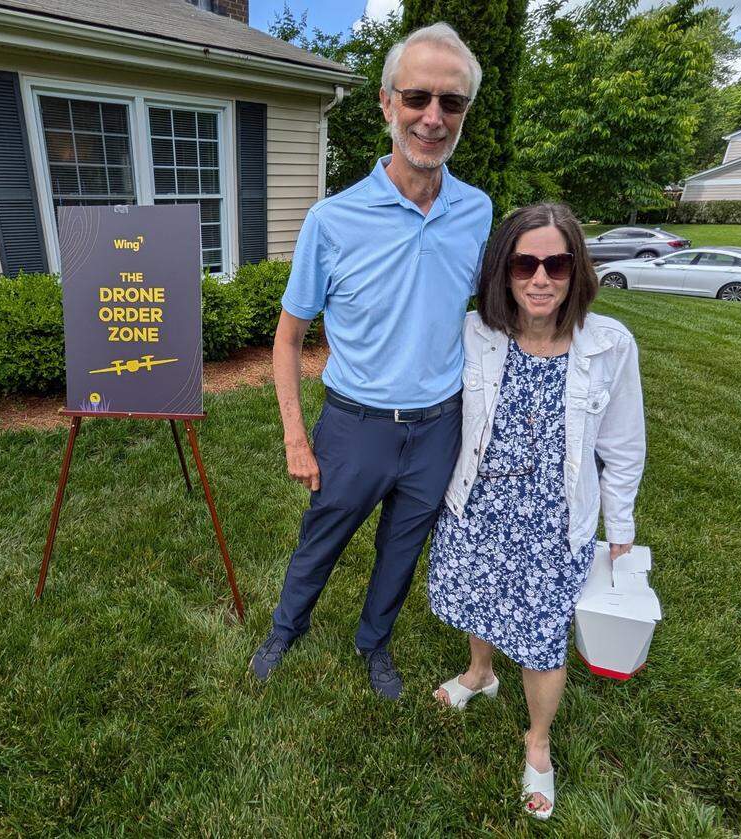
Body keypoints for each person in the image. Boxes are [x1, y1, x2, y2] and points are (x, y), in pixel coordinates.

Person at [248, 22, 492, 700]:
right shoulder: (332, 220)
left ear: (464, 114)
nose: (433, 117)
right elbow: (288, 337)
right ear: (387, 104)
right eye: (417, 97)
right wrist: (297, 435)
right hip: (355, 426)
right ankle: (285, 627)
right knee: (320, 539)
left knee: (400, 552)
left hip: (438, 425)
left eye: (452, 103)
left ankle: (373, 642)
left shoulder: (476, 211)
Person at [427, 202, 645, 820]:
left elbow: (623, 446)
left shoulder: (609, 345)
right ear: (504, 271)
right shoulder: (477, 332)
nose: (540, 278)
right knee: (481, 600)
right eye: (525, 263)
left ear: (577, 270)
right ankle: (479, 674)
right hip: (479, 506)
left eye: (557, 263)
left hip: (554, 523)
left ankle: (538, 743)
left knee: (543, 642)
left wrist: (620, 526)